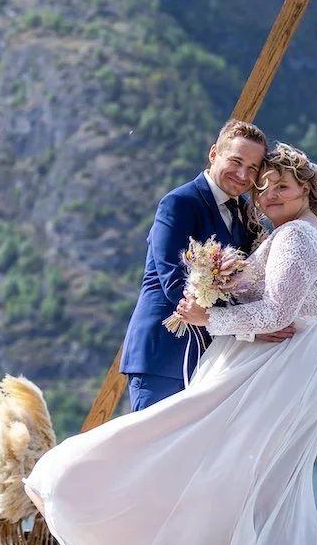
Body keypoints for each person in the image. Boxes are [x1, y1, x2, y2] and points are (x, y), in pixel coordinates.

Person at [25, 144, 317, 545]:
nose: (267, 195)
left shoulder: (295, 238)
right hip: (266, 365)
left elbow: (276, 316)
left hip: (279, 370)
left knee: (224, 475)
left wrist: (207, 315)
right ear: (215, 155)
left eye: (281, 186)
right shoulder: (286, 231)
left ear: (307, 189)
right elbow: (287, 300)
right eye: (263, 189)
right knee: (235, 480)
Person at [118, 120, 294, 412]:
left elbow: (258, 277)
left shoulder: (244, 214)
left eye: (252, 168)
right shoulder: (179, 203)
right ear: (214, 154)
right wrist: (247, 329)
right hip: (165, 354)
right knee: (151, 454)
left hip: (212, 360)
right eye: (236, 161)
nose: (242, 174)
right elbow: (174, 283)